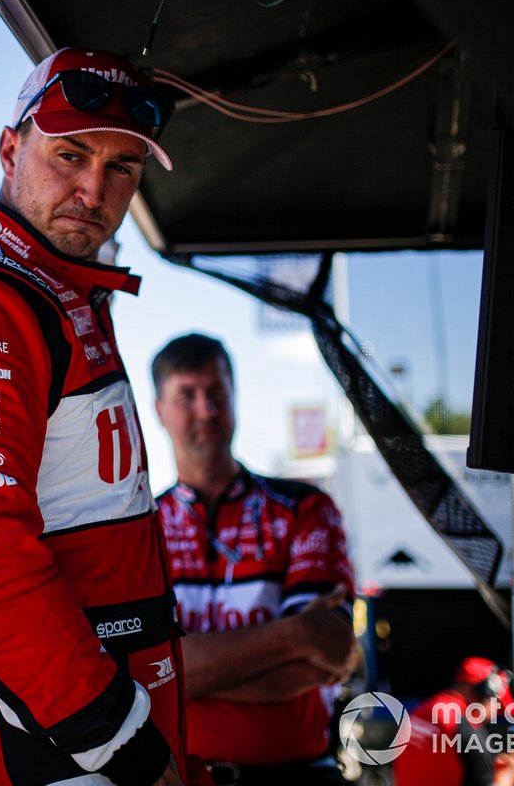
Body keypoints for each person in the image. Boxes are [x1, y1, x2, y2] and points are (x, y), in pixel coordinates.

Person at [0, 47, 205, 786]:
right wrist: (123, 746)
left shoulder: (49, 290)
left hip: (85, 725)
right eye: (71, 153)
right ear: (10, 147)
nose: (94, 188)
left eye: (122, 167)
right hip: (49, 742)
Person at [150, 333, 357, 785]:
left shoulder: (305, 507)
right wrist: (295, 633)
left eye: (217, 393)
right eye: (187, 395)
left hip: (300, 775)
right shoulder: (139, 529)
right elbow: (130, 673)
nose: (206, 410)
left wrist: (178, 678)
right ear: (159, 410)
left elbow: (329, 650)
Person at [391, 657, 514, 786]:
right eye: (498, 705)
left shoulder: (416, 714)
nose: (494, 714)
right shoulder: (465, 726)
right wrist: (506, 777)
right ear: (484, 692)